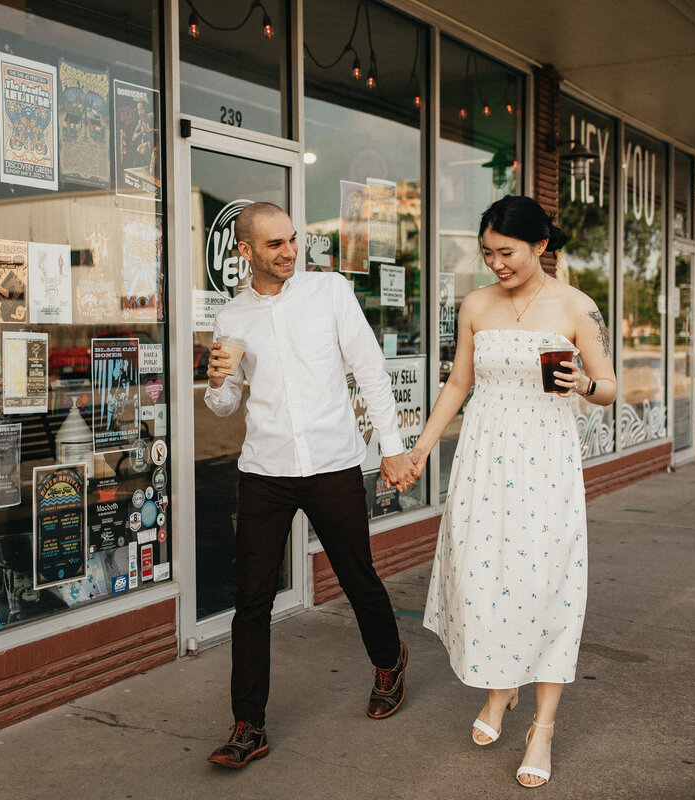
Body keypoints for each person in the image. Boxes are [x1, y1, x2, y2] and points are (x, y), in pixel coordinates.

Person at [409, 195, 616, 788]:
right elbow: (458, 382)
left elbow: (608, 387)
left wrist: (585, 384)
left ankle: (542, 725)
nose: (496, 264)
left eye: (507, 252)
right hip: (482, 460)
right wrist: (423, 447)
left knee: (544, 584)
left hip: (546, 463)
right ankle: (502, 692)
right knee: (487, 580)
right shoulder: (476, 304)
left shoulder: (576, 307)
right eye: (487, 253)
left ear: (540, 246)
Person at [202, 202, 419, 769]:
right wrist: (218, 381)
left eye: (293, 240)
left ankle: (389, 660)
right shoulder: (232, 318)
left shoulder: (330, 294)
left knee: (356, 578)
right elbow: (225, 406)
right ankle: (249, 725)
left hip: (331, 464)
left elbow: (370, 368)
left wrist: (392, 448)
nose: (290, 251)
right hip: (265, 472)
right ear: (246, 251)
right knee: (250, 600)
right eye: (275, 244)